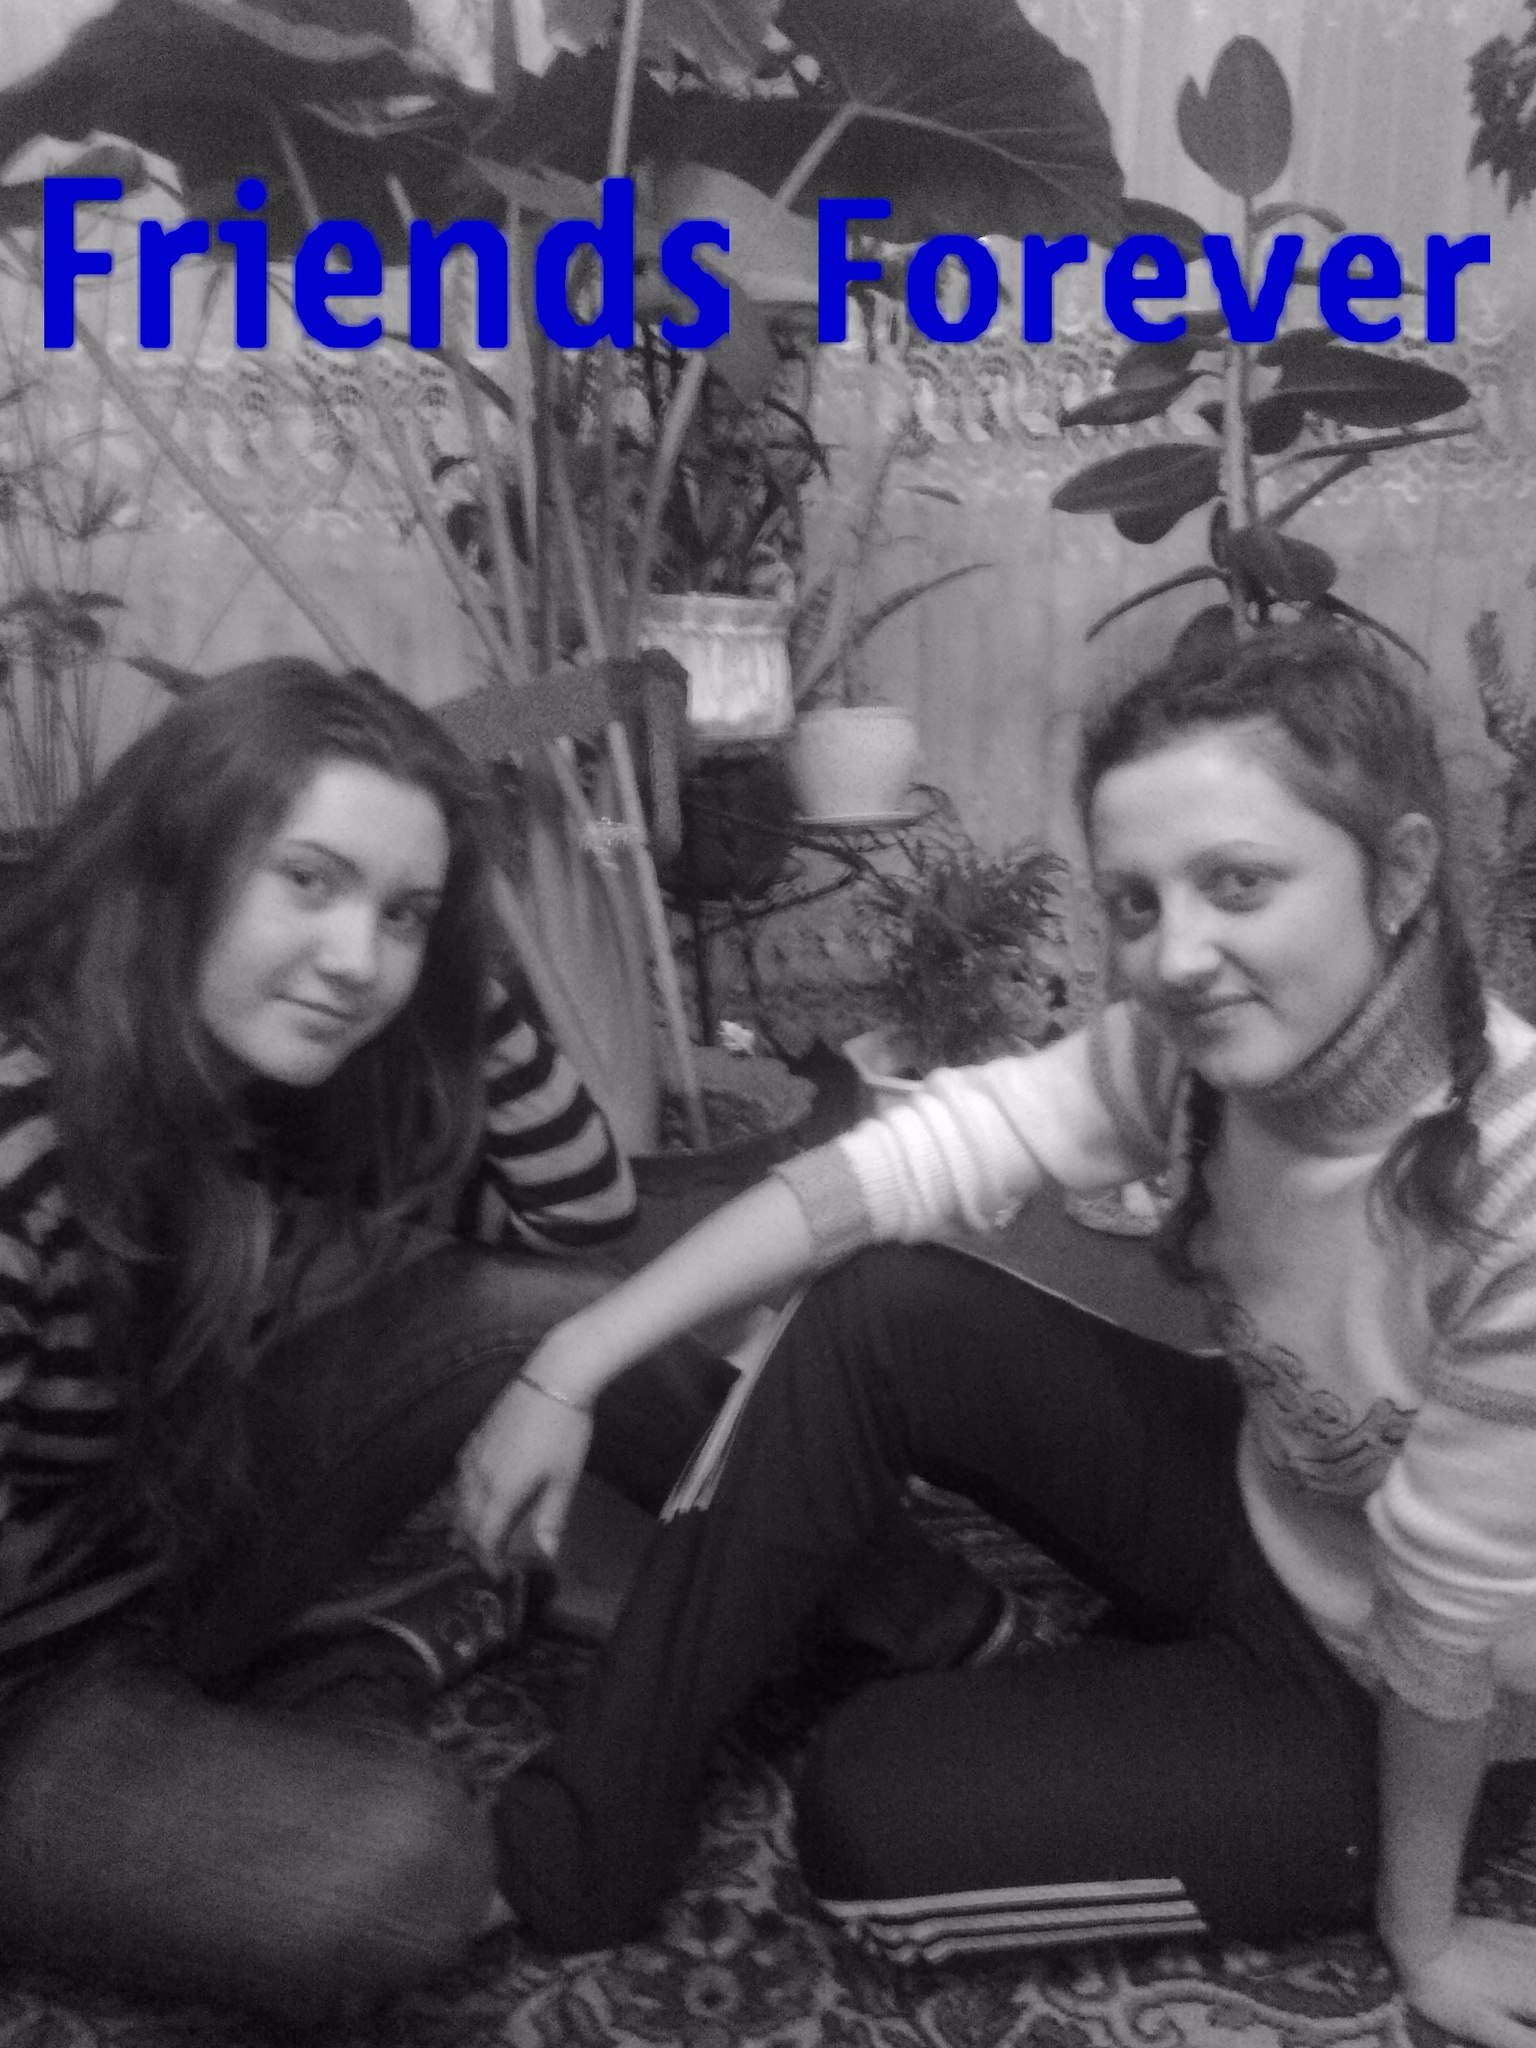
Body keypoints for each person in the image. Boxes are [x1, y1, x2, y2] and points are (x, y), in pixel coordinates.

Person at [462, 623, 1536, 2048]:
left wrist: (1423, 1933)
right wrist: (573, 1357)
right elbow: (912, 1159)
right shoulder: (1195, 1048)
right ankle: (584, 1838)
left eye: (1241, 884)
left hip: (1415, 1691)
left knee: (867, 1819)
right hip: (1277, 1501)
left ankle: (1137, 1721)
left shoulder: (1517, 1190)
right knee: (882, 1303)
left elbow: (1450, 1623)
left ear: (1399, 876)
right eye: (1137, 903)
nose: (1178, 957)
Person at [0, 655, 735, 2023]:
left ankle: (878, 1608)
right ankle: (353, 1662)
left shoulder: (265, 1073)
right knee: (402, 1871)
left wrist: (452, 966)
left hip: (163, 1548)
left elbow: (581, 1211)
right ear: (174, 866)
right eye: (308, 880)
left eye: (401, 913)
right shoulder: (23, 1145)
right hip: (31, 1691)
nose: (355, 960)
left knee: (554, 1320)